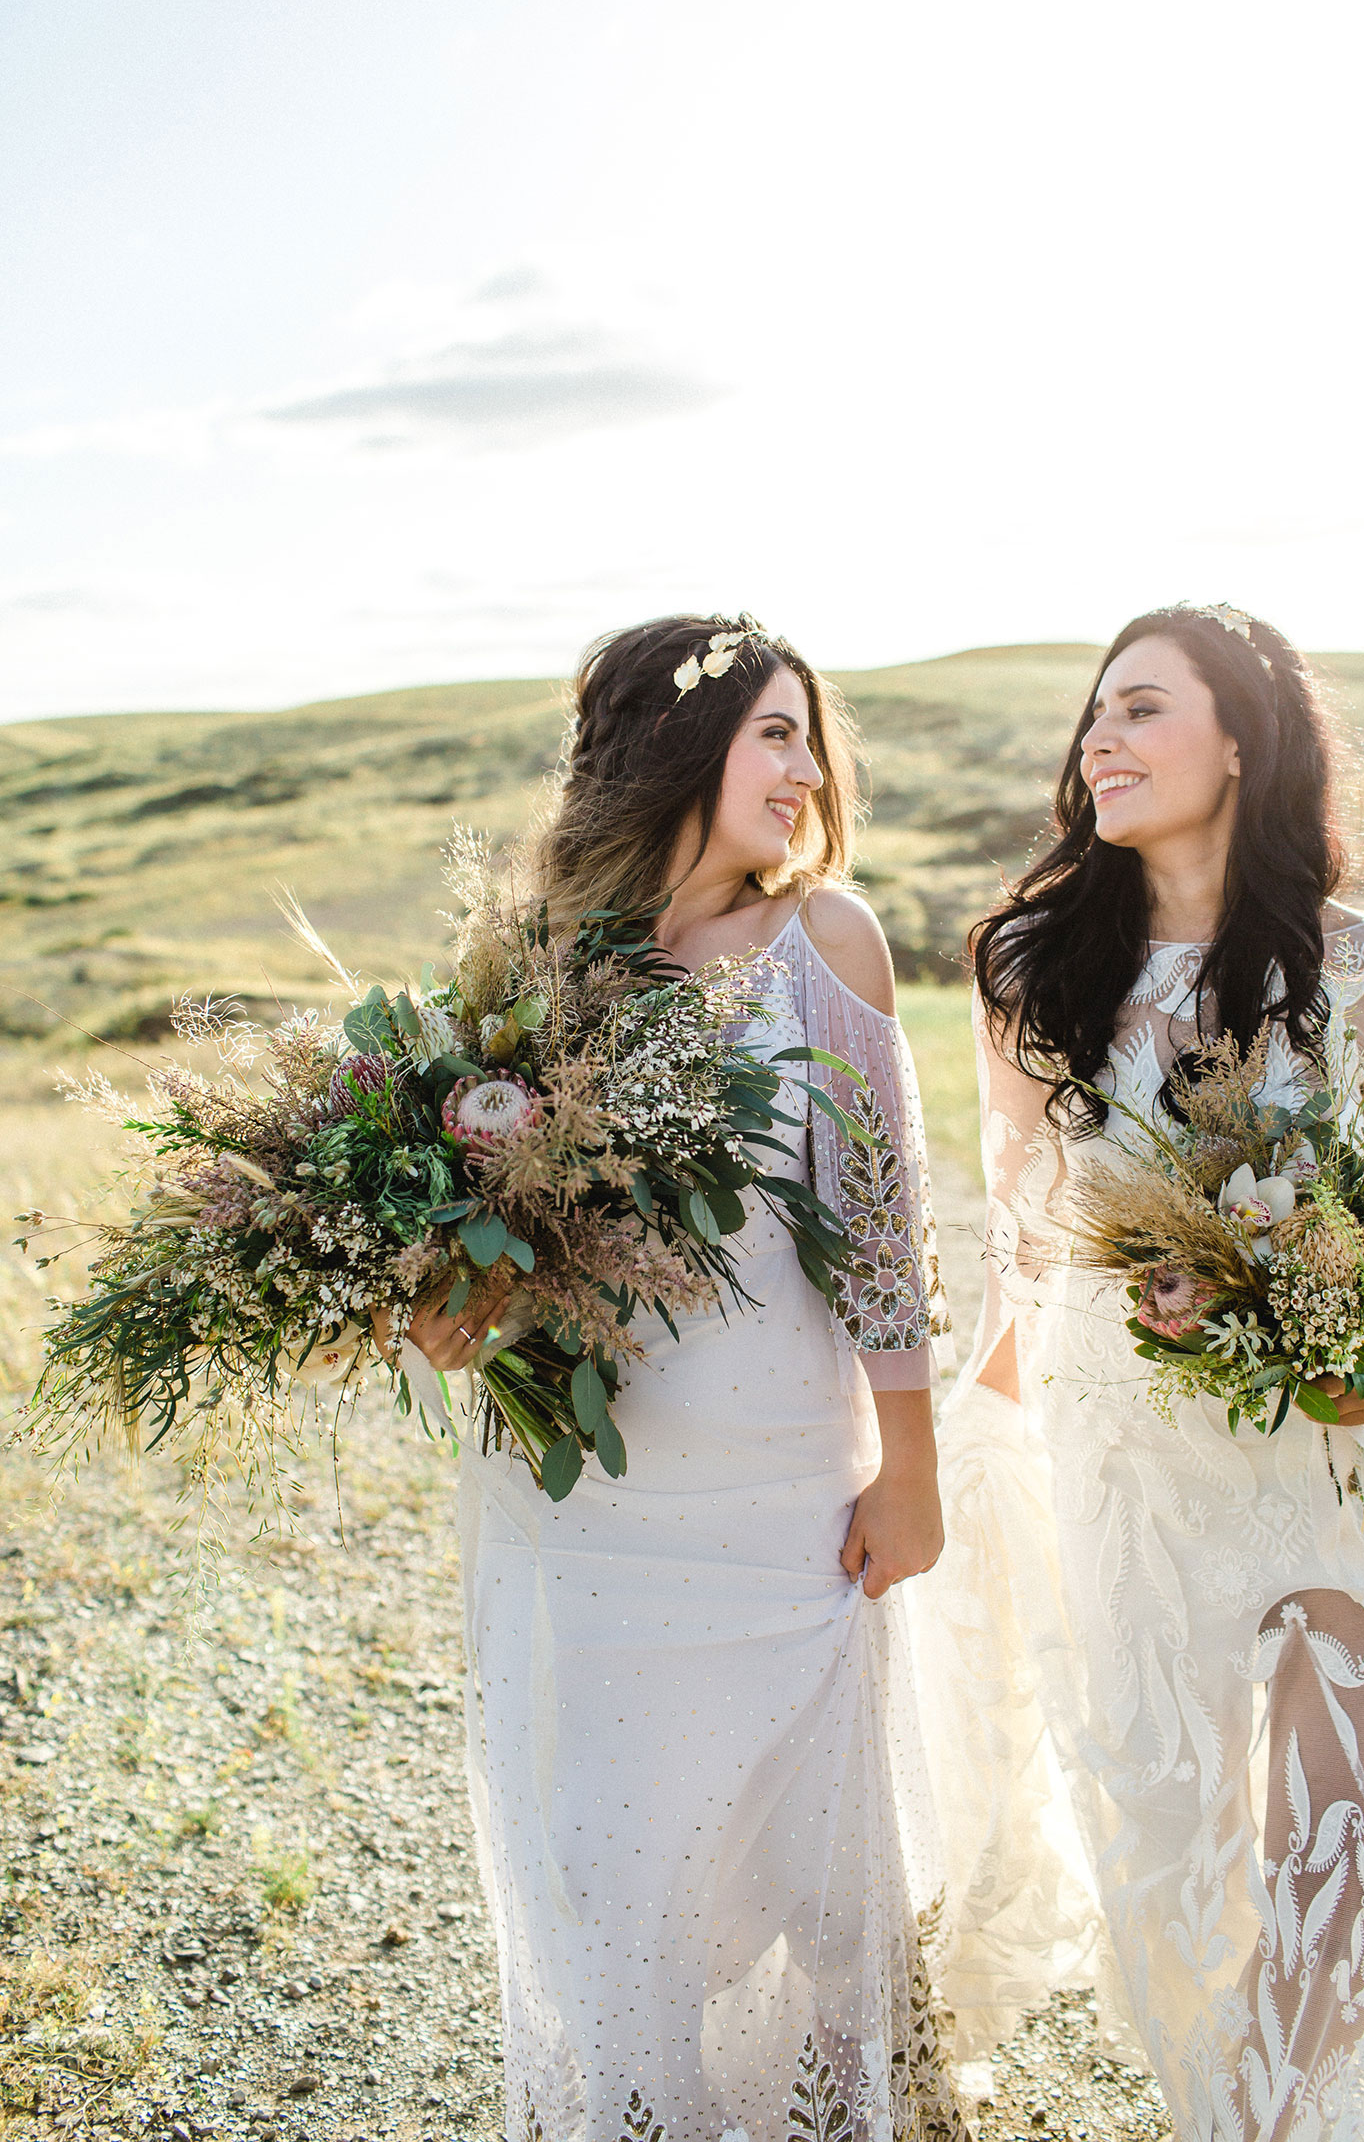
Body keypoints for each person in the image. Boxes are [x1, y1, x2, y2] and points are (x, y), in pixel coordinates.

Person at [380, 616, 956, 2142]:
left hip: (782, 1497)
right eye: (773, 731)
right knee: (615, 1870)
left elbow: (884, 1228)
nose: (807, 767)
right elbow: (483, 1235)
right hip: (592, 1505)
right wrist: (446, 1311)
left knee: (824, 1889)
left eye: (808, 735)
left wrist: (913, 1469)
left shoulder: (825, 940)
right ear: (675, 751)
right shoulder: (543, 963)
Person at [917, 603, 1364, 2140]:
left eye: (1142, 708)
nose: (1101, 739)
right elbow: (1022, 1241)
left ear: (1240, 742)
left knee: (1336, 1876)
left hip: (1331, 1474)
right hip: (1124, 1478)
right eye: (1094, 713)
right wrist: (958, 1462)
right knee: (1172, 1876)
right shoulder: (1032, 972)